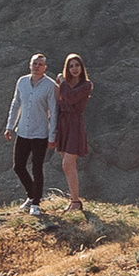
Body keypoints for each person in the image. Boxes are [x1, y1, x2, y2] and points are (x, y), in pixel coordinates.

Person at [5, 51, 56, 207]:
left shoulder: (51, 86)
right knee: (18, 166)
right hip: (22, 132)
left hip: (40, 133)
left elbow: (54, 111)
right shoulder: (22, 82)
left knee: (37, 168)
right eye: (35, 63)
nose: (37, 66)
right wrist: (10, 126)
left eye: (40, 64)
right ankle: (32, 194)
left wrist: (52, 136)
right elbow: (16, 104)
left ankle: (36, 204)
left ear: (45, 67)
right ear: (30, 65)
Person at [52, 52, 93, 210]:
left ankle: (76, 202)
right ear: (67, 68)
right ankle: (73, 200)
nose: (74, 69)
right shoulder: (64, 86)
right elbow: (57, 103)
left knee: (68, 163)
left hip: (75, 124)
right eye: (71, 66)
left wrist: (61, 81)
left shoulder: (86, 85)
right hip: (63, 124)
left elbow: (71, 98)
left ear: (82, 68)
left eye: (77, 65)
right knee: (68, 165)